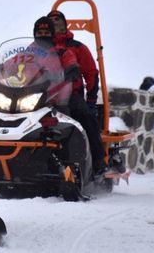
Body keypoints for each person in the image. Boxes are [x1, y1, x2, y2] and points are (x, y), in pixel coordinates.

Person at [47, 10, 112, 176]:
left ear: (64, 23)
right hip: (42, 95)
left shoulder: (77, 48)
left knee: (86, 116)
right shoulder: (40, 47)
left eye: (58, 19)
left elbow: (91, 73)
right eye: (51, 20)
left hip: (69, 94)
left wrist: (91, 98)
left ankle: (98, 162)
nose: (54, 22)